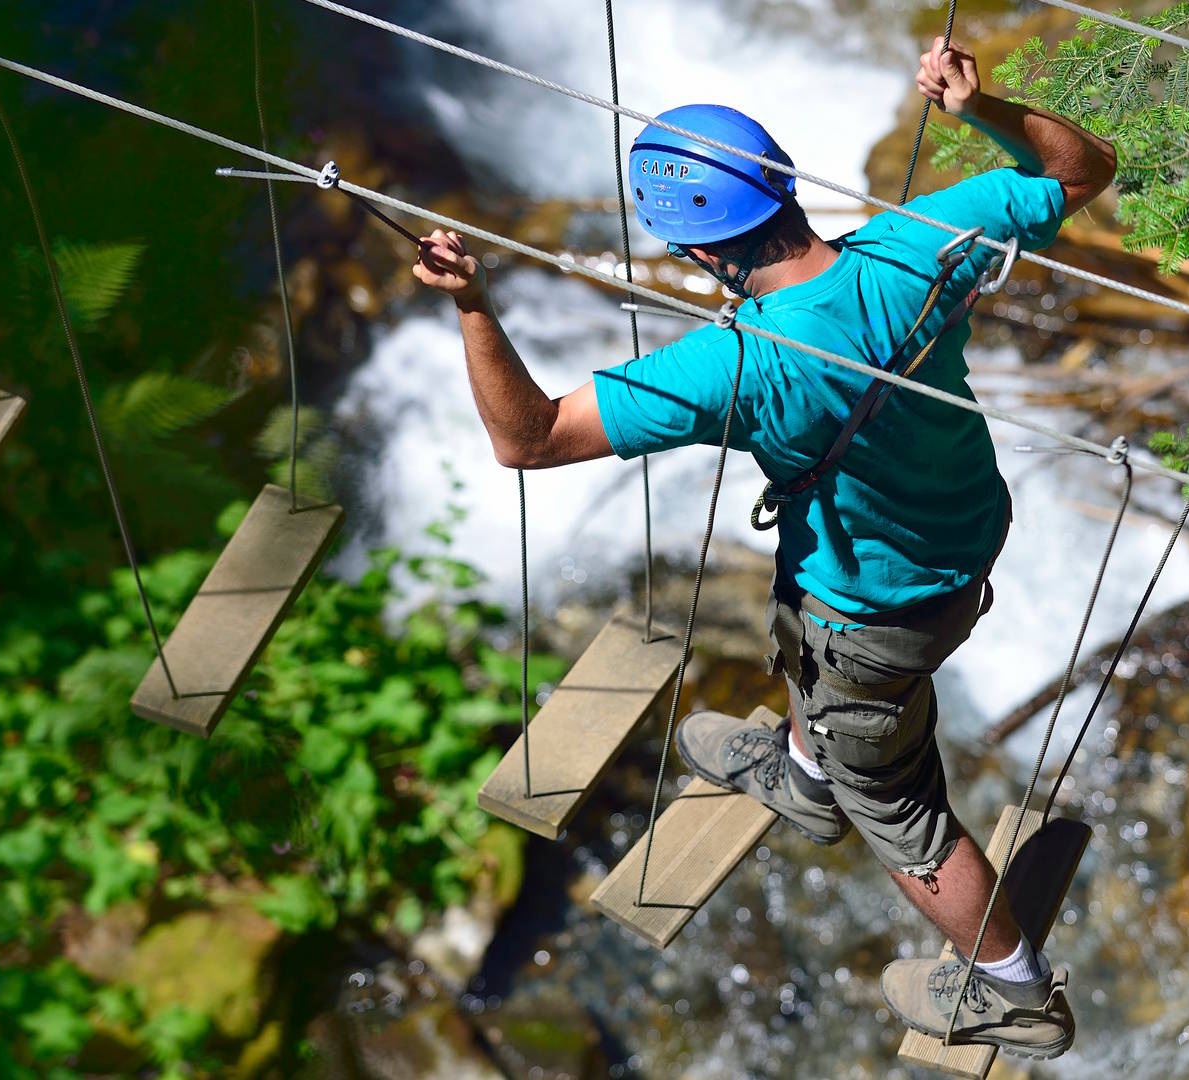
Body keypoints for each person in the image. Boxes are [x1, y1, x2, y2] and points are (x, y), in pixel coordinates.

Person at [412, 37, 1116, 1058]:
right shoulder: (922, 240)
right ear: (782, 187)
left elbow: (530, 438)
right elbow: (1077, 169)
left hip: (876, 610)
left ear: (702, 254)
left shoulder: (734, 364)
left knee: (904, 806)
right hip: (962, 537)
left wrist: (474, 305)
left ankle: (1016, 991)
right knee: (802, 610)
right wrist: (980, 106)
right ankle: (804, 771)